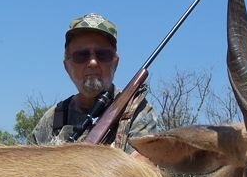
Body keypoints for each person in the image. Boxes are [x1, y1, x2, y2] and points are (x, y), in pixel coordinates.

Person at [31, 13, 158, 153]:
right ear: (67, 67)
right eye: (81, 56)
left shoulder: (136, 111)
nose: (92, 62)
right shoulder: (52, 119)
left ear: (115, 63)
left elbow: (139, 170)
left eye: (102, 55)